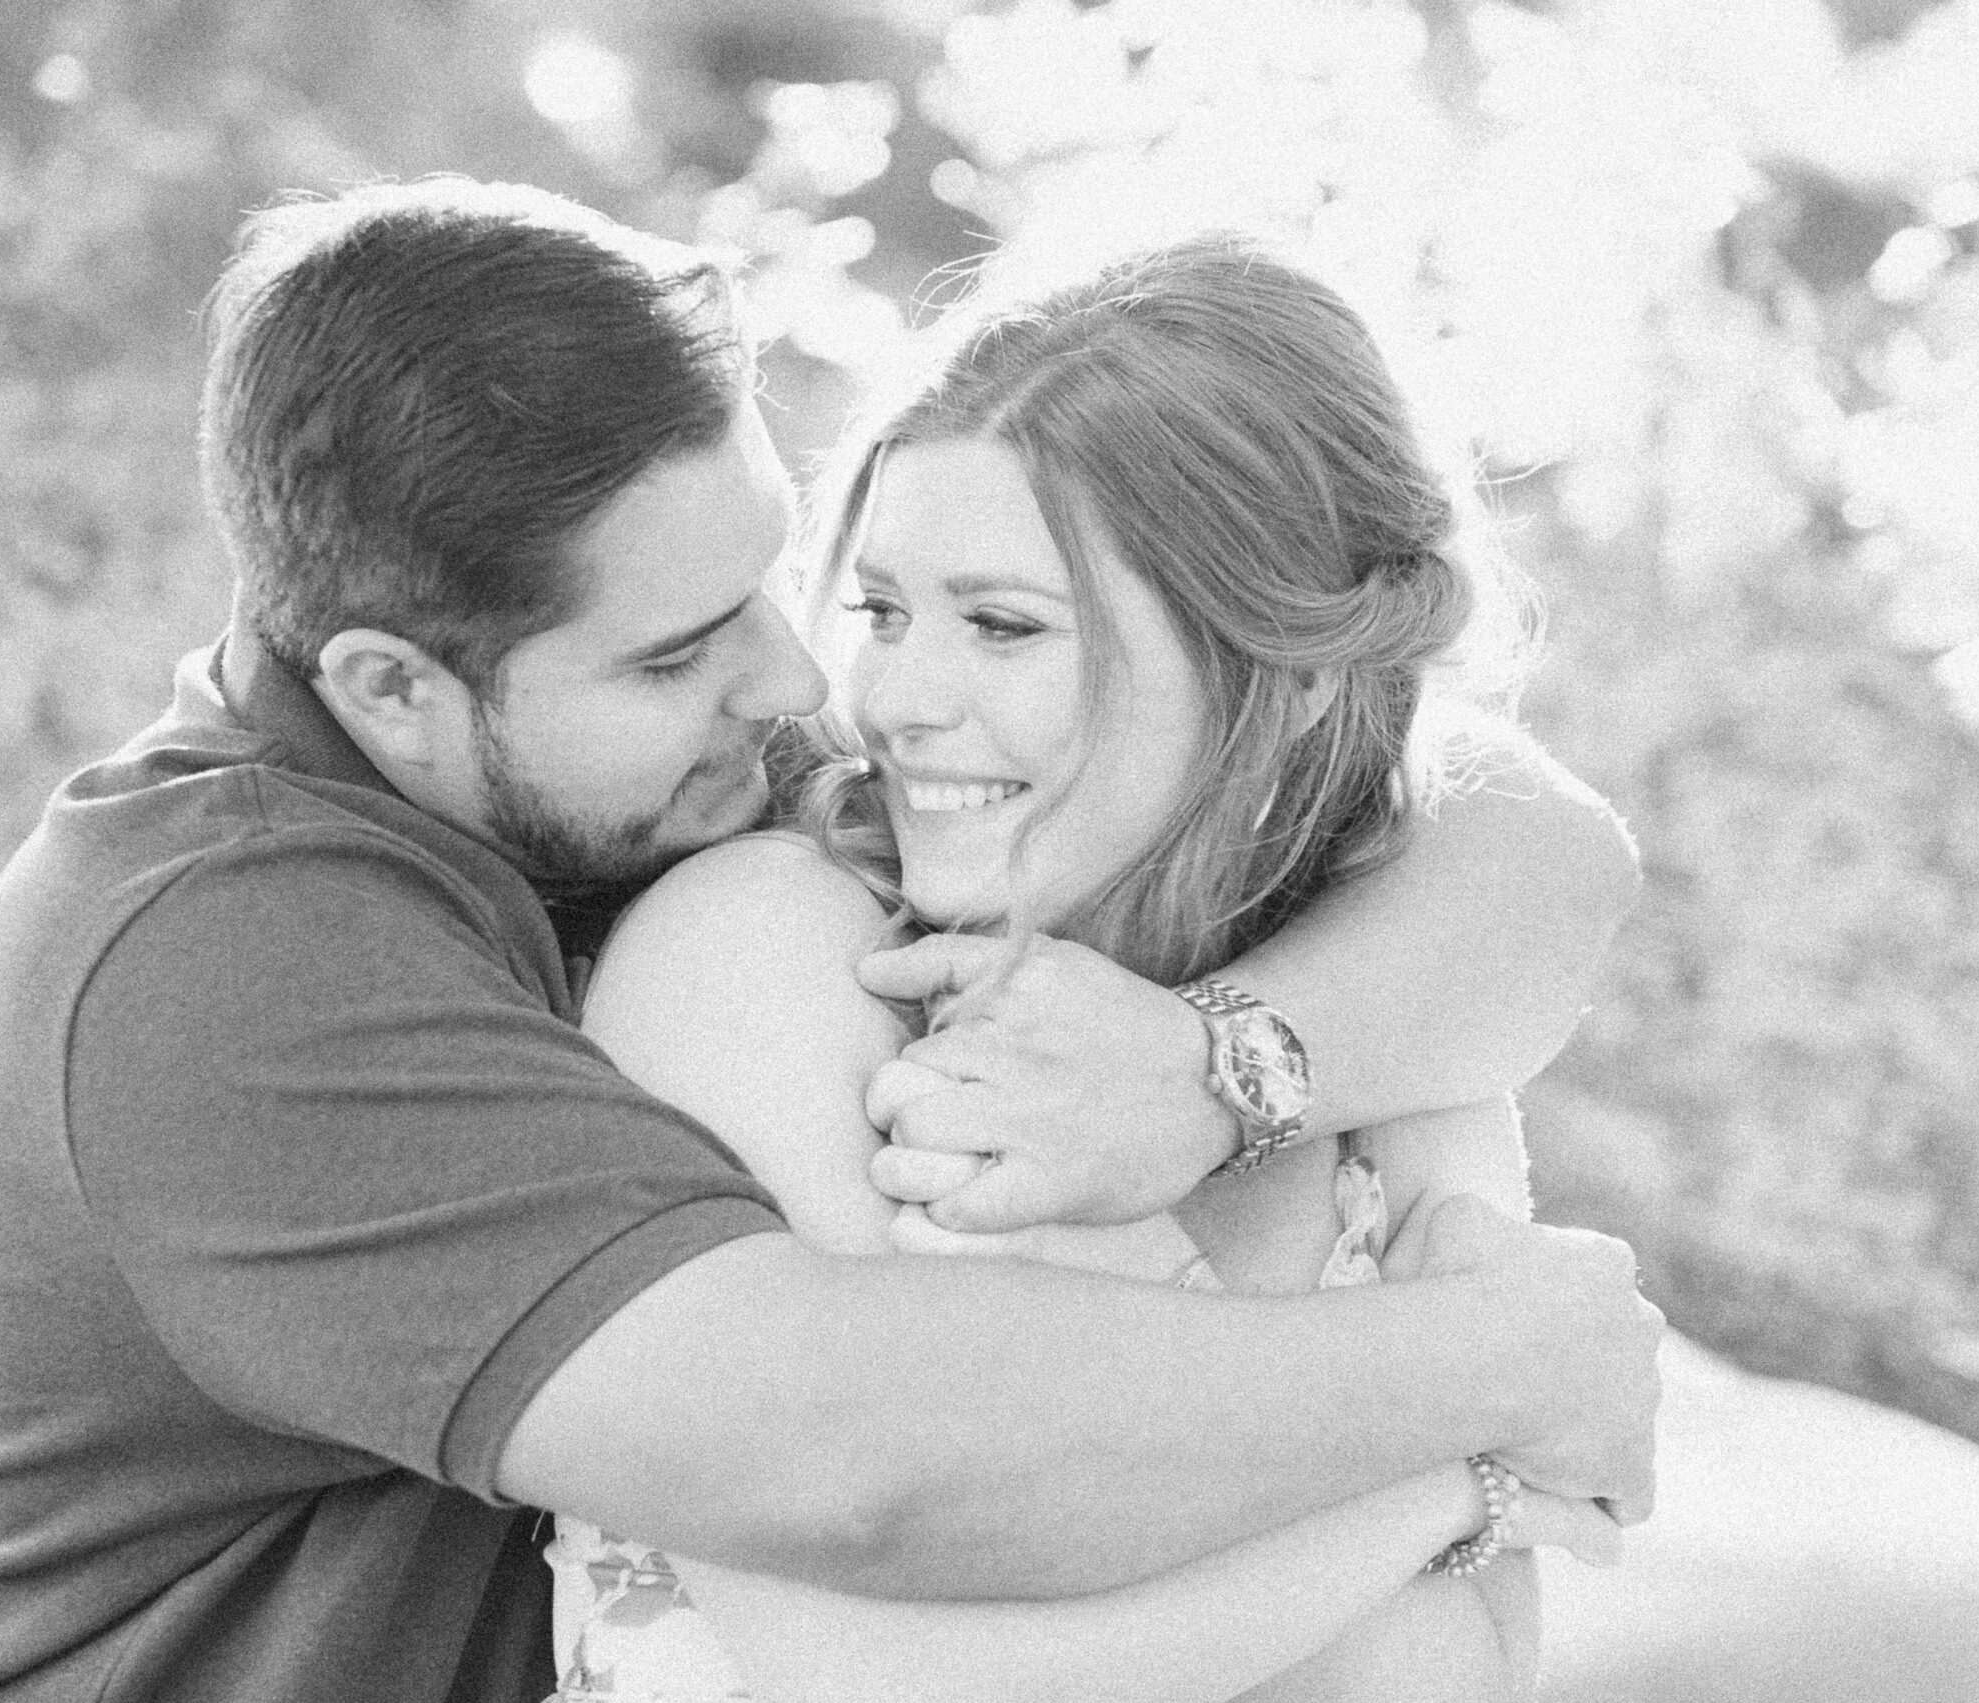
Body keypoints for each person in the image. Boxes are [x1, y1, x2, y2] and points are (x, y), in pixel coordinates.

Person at [0, 178, 1659, 1703]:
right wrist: (1497, 1398)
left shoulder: (673, 782)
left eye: (781, 586)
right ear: (394, 692)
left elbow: (1529, 841)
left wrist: (1220, 1067)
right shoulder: (221, 974)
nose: (810, 686)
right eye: (678, 652)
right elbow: (854, 1480)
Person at [546, 234, 1614, 1703]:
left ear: (1289, 672)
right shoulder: (761, 959)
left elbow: (1465, 1667)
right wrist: (1470, 1475)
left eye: (1002, 627)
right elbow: (874, 1670)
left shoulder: (1391, 1059)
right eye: (882, 612)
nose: (895, 697)